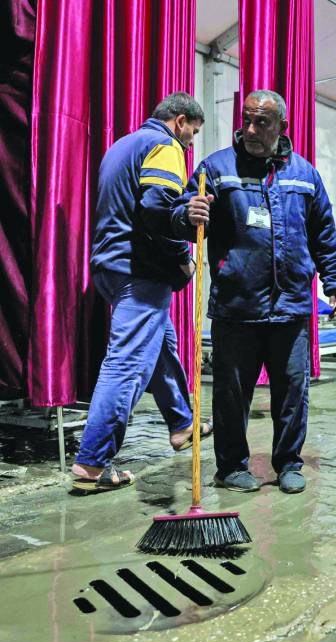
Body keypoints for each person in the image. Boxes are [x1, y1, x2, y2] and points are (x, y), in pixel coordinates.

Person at [174, 90, 336, 494]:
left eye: (262, 123)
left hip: (291, 307)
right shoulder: (215, 169)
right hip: (237, 306)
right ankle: (231, 467)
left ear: (282, 127)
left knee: (292, 393)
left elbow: (323, 232)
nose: (251, 130)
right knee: (232, 396)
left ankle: (288, 463)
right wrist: (187, 214)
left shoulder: (304, 175)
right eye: (247, 120)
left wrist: (335, 279)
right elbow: (181, 215)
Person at [71, 92, 213, 494]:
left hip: (108, 265)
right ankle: (92, 464)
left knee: (162, 345)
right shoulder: (164, 146)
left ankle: (182, 424)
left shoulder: (121, 146)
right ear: (180, 120)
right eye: (192, 134)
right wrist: (183, 252)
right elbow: (156, 210)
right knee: (127, 364)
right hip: (140, 269)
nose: (190, 144)